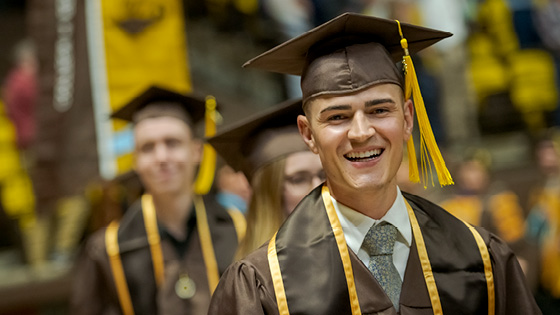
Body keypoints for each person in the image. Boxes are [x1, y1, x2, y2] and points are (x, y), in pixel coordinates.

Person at [208, 13, 539, 314]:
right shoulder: (262, 285)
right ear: (308, 135)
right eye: (338, 116)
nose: (362, 132)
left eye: (380, 110)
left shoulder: (481, 258)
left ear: (408, 119)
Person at [70, 86, 243, 315]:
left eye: (172, 143)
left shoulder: (238, 229)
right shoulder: (106, 252)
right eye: (147, 148)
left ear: (196, 151)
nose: (161, 157)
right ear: (135, 161)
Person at [208, 99, 324, 259]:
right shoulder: (249, 277)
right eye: (298, 180)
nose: (318, 188)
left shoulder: (354, 253)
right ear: (268, 191)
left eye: (323, 176)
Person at [526, 131, 560, 313]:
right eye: (542, 155)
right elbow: (531, 232)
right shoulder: (539, 192)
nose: (547, 160)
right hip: (547, 268)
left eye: (551, 153)